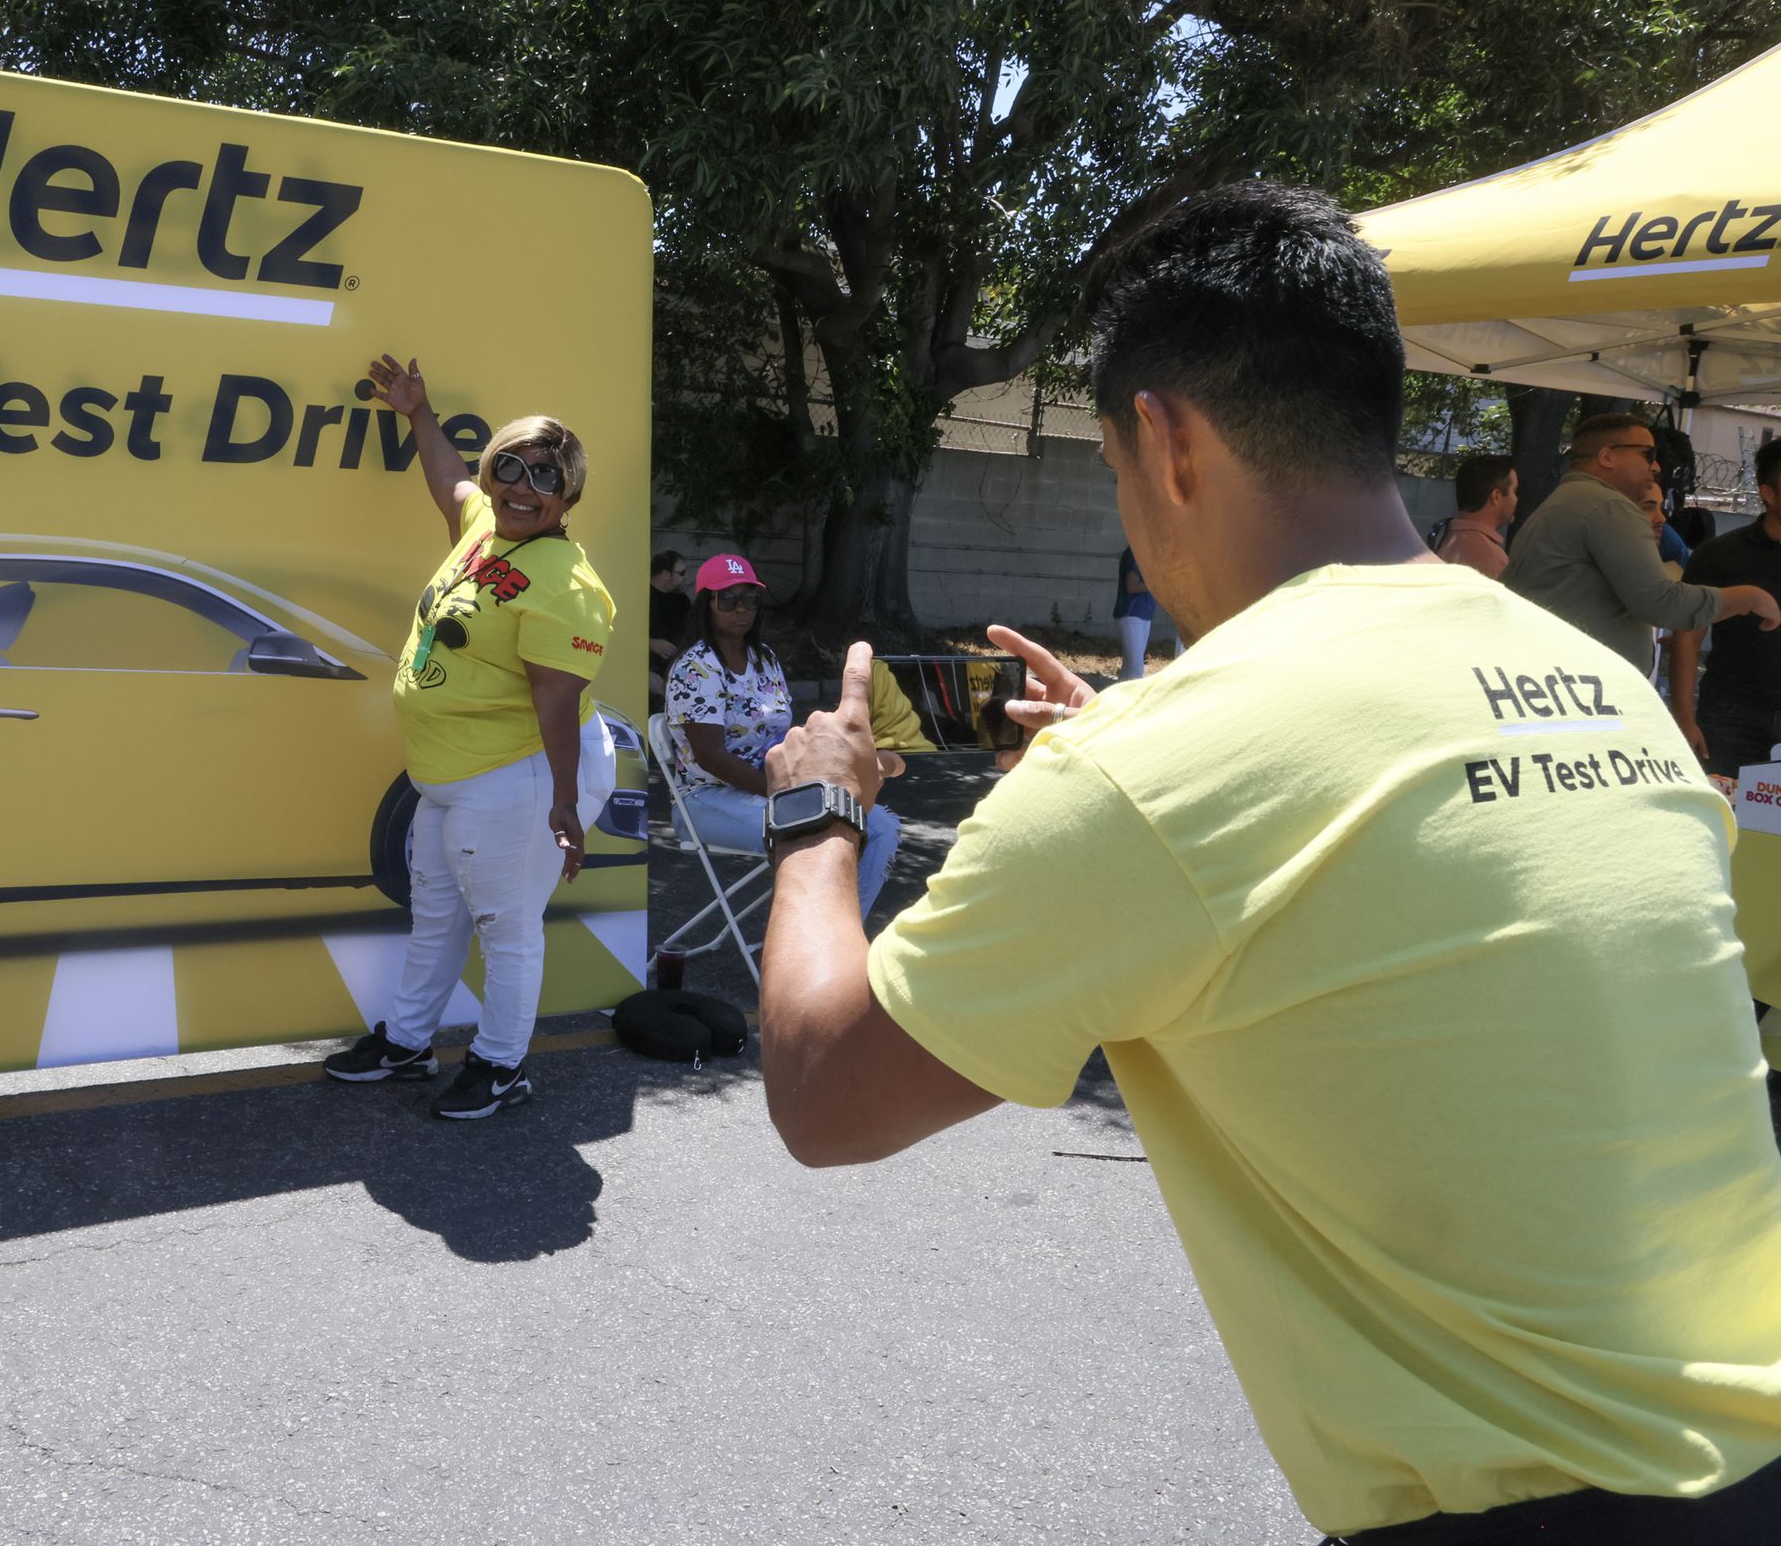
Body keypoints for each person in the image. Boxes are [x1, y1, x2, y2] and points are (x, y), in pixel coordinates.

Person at [751, 183, 1781, 1543]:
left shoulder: (1156, 773)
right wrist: (1140, 755)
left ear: (1166, 442)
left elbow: (824, 1091)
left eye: (1117, 472)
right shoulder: (1599, 685)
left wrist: (817, 815)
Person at [321, 352, 616, 1120]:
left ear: (569, 494)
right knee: (438, 918)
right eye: (510, 466)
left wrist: (563, 805)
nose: (522, 486)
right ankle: (409, 1043)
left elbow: (557, 702)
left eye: (545, 477)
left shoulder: (567, 586)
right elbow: (449, 481)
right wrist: (419, 412)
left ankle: (500, 1065)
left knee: (506, 931)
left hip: (521, 775)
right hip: (451, 776)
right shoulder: (486, 524)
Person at [662, 554, 901, 920]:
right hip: (705, 799)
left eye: (751, 598)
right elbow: (710, 756)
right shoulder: (695, 666)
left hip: (771, 790)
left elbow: (784, 736)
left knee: (880, 825)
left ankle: (847, 934)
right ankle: (816, 940)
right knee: (822, 828)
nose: (741, 608)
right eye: (728, 599)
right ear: (706, 604)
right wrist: (783, 791)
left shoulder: (764, 658)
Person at [1503, 413, 1776, 673]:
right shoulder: (1608, 505)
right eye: (1648, 455)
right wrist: (1748, 597)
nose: (1655, 467)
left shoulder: (1569, 499)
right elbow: (1660, 602)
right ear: (1607, 457)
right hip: (1580, 680)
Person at [1675, 438, 1781, 776]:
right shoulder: (1720, 554)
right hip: (1732, 714)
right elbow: (1687, 636)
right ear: (1768, 493)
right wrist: (1684, 718)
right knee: (1726, 805)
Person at [1434, 453, 1516, 579]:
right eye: (1514, 491)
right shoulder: (1491, 558)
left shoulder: (1442, 537)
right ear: (1496, 496)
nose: (1516, 499)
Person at [646, 549, 690, 710]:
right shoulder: (642, 596)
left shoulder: (682, 601)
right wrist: (651, 644)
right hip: (647, 671)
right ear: (665, 574)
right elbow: (624, 632)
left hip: (676, 670)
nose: (685, 578)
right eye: (681, 573)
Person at [1113, 546, 1157, 679]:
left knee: (1130, 669)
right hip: (1132, 613)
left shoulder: (1146, 552)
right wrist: (1156, 586)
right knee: (1135, 670)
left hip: (1143, 614)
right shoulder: (1137, 552)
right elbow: (1131, 586)